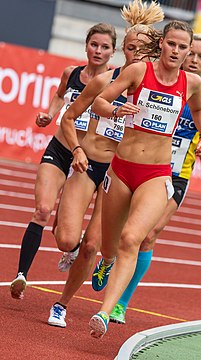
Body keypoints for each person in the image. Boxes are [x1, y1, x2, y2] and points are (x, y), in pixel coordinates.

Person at [89, 20, 201, 338]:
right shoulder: (138, 72)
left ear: (188, 52)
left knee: (132, 238)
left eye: (182, 47)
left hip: (157, 173)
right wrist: (117, 110)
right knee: (110, 244)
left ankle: (104, 313)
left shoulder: (192, 82)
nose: (176, 50)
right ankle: (107, 260)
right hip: (121, 169)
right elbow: (100, 102)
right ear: (162, 44)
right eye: (171, 44)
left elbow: (199, 111)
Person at [46, 0, 165, 328]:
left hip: (119, 175)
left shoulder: (156, 92)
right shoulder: (103, 82)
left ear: (151, 55)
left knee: (92, 246)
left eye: (143, 51)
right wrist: (77, 150)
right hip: (88, 165)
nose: (135, 56)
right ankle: (73, 244)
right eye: (130, 49)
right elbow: (69, 118)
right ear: (122, 49)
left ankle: (62, 304)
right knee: (69, 239)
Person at [109, 33, 201, 325]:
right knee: (124, 231)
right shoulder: (164, 79)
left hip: (177, 174)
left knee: (148, 235)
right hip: (144, 163)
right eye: (192, 54)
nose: (194, 60)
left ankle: (120, 303)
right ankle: (107, 261)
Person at [10, 23, 117, 300]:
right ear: (86, 45)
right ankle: (21, 275)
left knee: (65, 236)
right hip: (61, 149)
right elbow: (60, 95)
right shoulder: (71, 73)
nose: (98, 50)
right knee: (43, 209)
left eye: (105, 47)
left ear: (112, 52)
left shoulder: (114, 83)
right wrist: (49, 113)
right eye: (94, 44)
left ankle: (73, 248)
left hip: (88, 157)